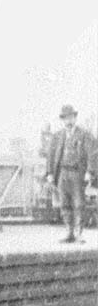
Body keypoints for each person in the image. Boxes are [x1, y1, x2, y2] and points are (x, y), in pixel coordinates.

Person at [45, 104, 96, 243]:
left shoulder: (84, 135)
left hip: (77, 174)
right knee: (64, 204)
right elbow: (50, 155)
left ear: (75, 118)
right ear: (62, 120)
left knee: (78, 204)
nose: (68, 121)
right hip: (62, 174)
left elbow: (92, 154)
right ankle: (69, 232)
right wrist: (49, 173)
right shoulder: (57, 136)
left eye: (71, 117)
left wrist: (90, 172)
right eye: (65, 118)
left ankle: (78, 233)